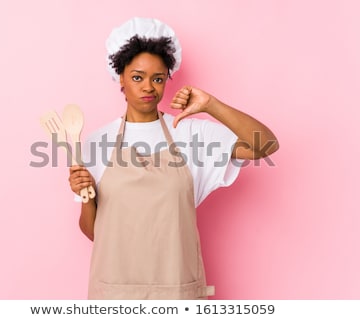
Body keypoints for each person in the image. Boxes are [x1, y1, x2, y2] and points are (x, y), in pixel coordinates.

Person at [68, 17, 279, 300]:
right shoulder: (96, 142)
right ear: (120, 77)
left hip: (177, 291)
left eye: (157, 78)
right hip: (114, 294)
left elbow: (265, 145)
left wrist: (210, 105)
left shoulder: (192, 133)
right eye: (137, 77)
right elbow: (94, 232)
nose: (148, 87)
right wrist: (85, 196)